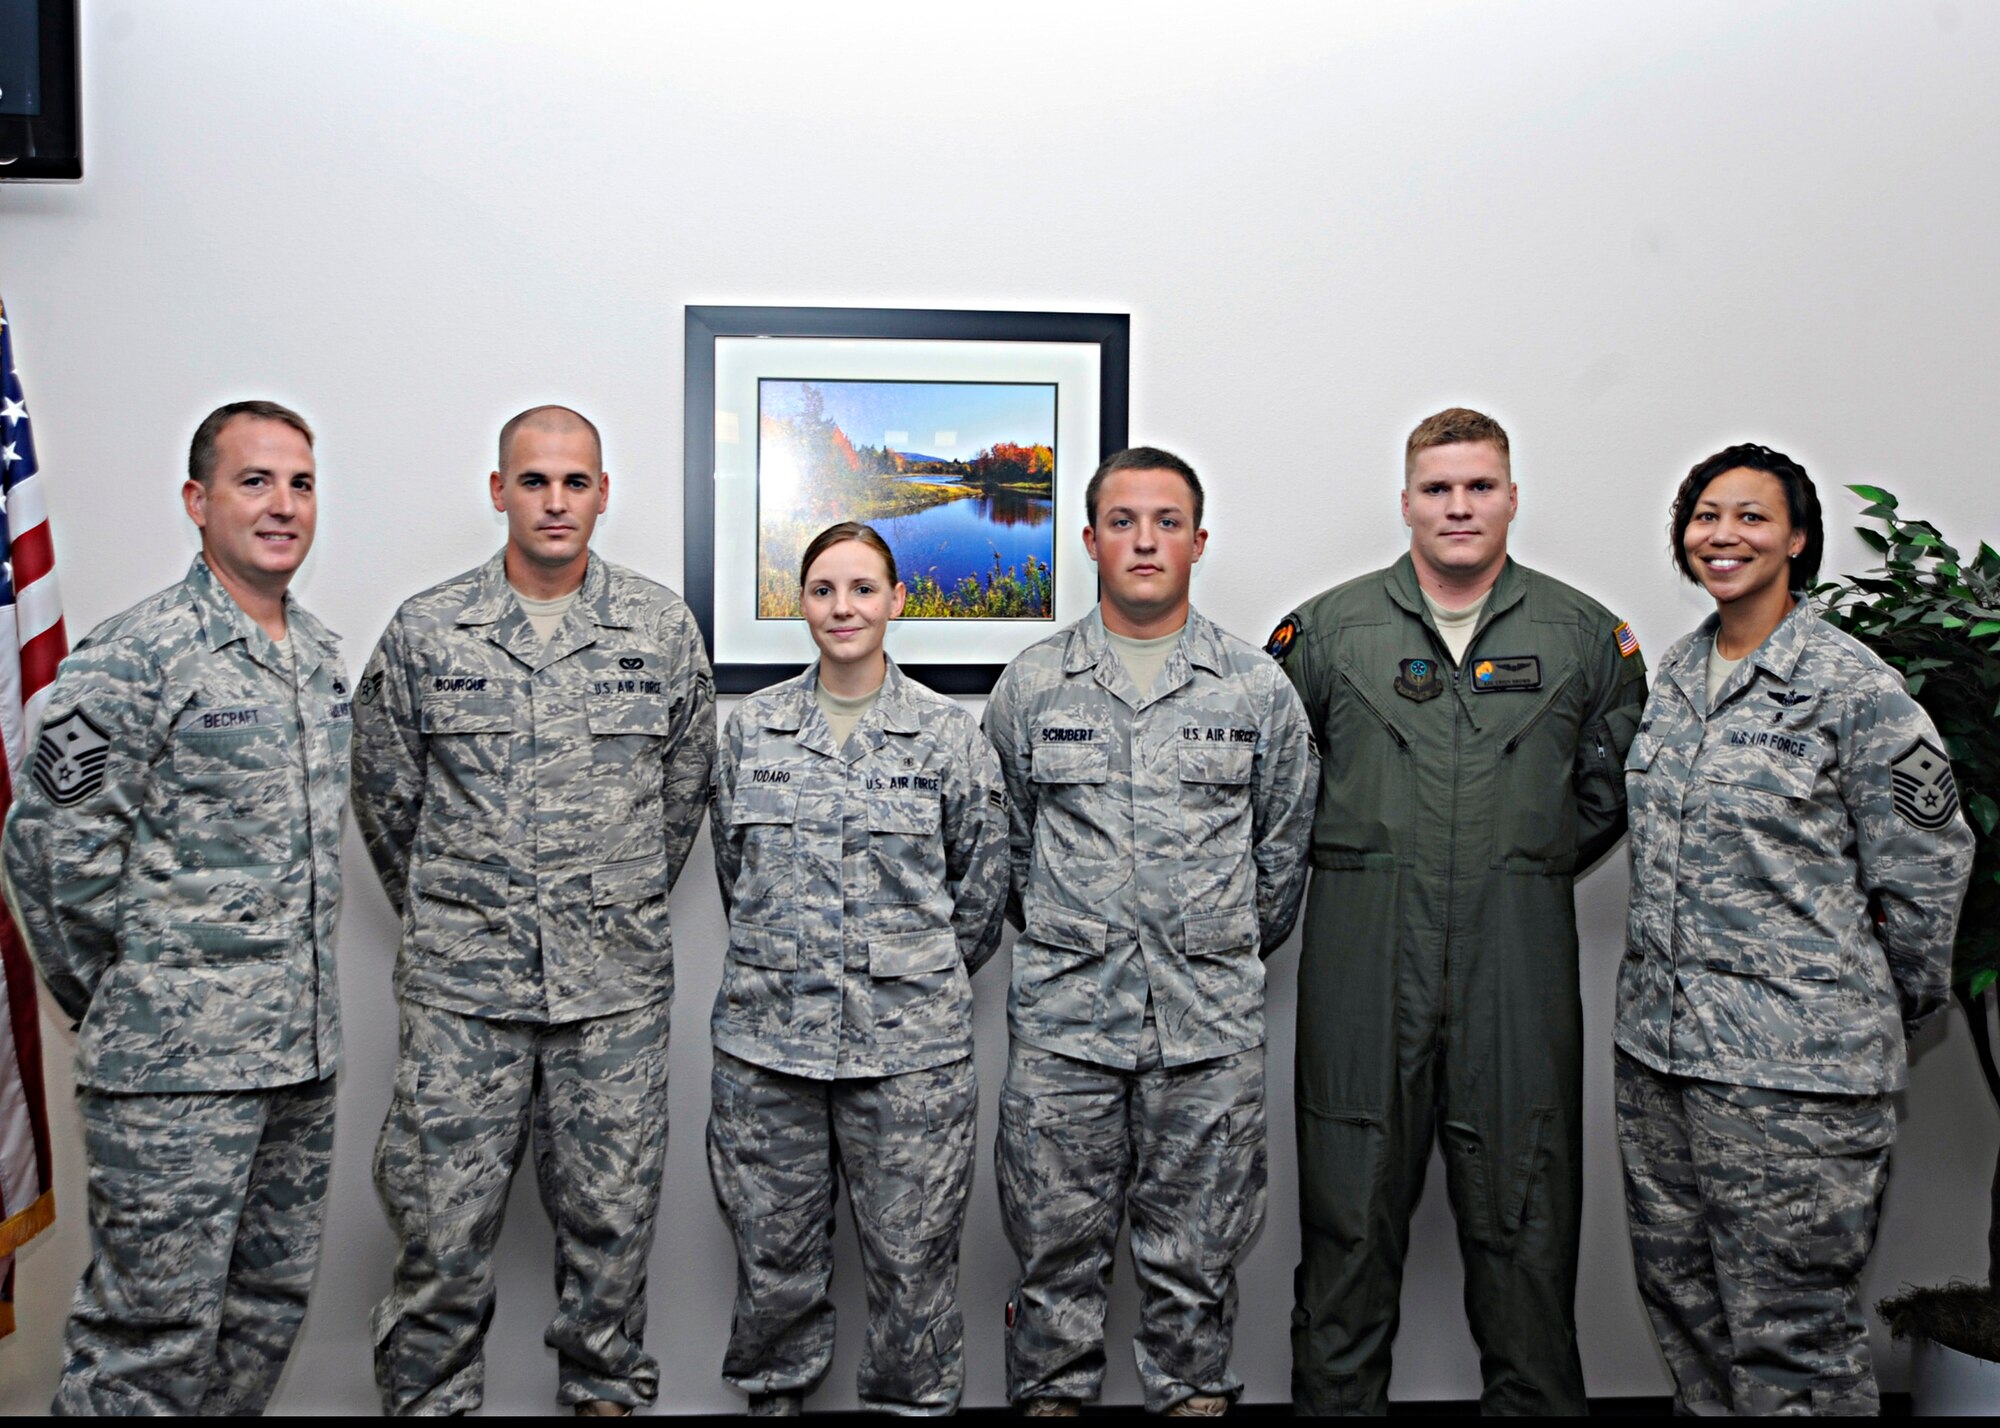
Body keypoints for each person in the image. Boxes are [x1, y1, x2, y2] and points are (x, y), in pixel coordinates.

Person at [1271, 408, 1646, 1415]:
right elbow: (1271, 790)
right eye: (1437, 488)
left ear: (1511, 497)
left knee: (1525, 1227)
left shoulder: (1580, 635)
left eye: (1478, 486)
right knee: (1346, 1228)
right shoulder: (1327, 632)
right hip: (1360, 963)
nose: (1457, 506)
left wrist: (1514, 867)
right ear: (1405, 502)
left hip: (1514, 969)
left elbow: (1614, 791)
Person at [352, 405, 715, 1417]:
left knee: (611, 1240)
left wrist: (602, 902)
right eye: (534, 480)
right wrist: (468, 914)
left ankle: (601, 1400)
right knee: (438, 1243)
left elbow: (681, 800)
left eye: (575, 481)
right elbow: (386, 805)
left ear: (602, 492)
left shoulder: (659, 628)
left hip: (613, 998)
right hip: (462, 996)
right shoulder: (427, 630)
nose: (555, 501)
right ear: (499, 490)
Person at [2, 401, 349, 1414]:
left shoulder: (320, 659)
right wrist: (130, 1003)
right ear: (198, 502)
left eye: (300, 483)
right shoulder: (134, 656)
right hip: (172, 1074)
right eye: (255, 481)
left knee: (261, 1316)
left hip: (299, 1060)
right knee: (149, 1341)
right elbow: (50, 855)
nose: (281, 506)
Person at [1616, 443, 1973, 1415]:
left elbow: (1929, 864)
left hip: (1795, 1079)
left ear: (1797, 538)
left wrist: (1858, 1010)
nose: (1721, 535)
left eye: (1749, 517)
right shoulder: (1679, 675)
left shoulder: (1848, 688)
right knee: (1687, 1316)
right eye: (1703, 516)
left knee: (1791, 1341)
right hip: (1661, 1060)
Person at [985, 447, 1317, 1417]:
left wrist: (1202, 948)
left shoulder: (1254, 688)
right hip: (1063, 1034)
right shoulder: (1034, 684)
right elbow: (1004, 845)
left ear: (1197, 542)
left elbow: (1281, 851)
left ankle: (1190, 1403)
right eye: (1122, 521)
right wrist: (1074, 936)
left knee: (1196, 1274)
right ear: (1089, 540)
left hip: (1205, 1035)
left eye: (1165, 522)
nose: (1143, 541)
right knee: (1051, 1271)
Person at [705, 521, 1009, 1416]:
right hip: (770, 1055)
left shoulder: (948, 739)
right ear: (801, 603)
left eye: (864, 589)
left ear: (897, 601)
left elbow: (982, 893)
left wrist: (903, 979)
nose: (844, 608)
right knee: (773, 1276)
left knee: (914, 1280)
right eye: (824, 589)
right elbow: (737, 876)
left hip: (910, 1061)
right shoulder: (751, 732)